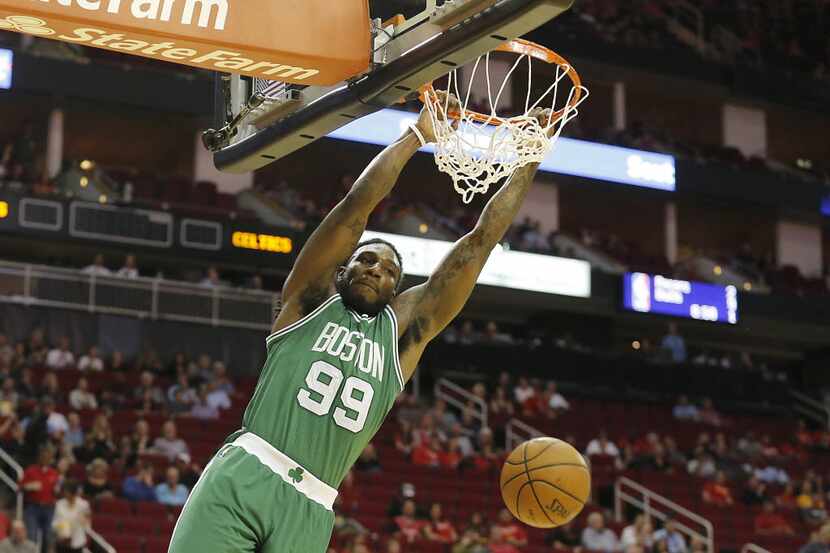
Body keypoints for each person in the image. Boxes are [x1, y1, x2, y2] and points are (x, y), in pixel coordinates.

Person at [168, 97, 560, 553]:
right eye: (367, 260)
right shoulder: (308, 299)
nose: (378, 270)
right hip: (246, 472)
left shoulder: (402, 335)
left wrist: (530, 158)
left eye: (391, 270)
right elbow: (356, 207)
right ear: (341, 270)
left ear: (398, 290)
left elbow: (479, 244)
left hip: (312, 504)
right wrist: (416, 137)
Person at [21, 447, 59, 549]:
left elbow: (58, 492)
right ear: (39, 457)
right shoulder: (30, 470)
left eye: (48, 457)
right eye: (43, 456)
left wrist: (58, 491)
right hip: (33, 507)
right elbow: (20, 487)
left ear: (51, 458)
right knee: (31, 535)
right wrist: (29, 486)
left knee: (48, 536)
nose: (45, 459)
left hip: (49, 508)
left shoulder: (54, 473)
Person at [52, 480, 91, 553]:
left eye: (68, 492)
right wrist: (61, 528)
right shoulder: (59, 504)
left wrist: (84, 521)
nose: (66, 494)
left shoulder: (84, 505)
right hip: (62, 541)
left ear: (74, 492)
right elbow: (54, 523)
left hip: (78, 541)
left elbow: (87, 525)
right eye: (65, 491)